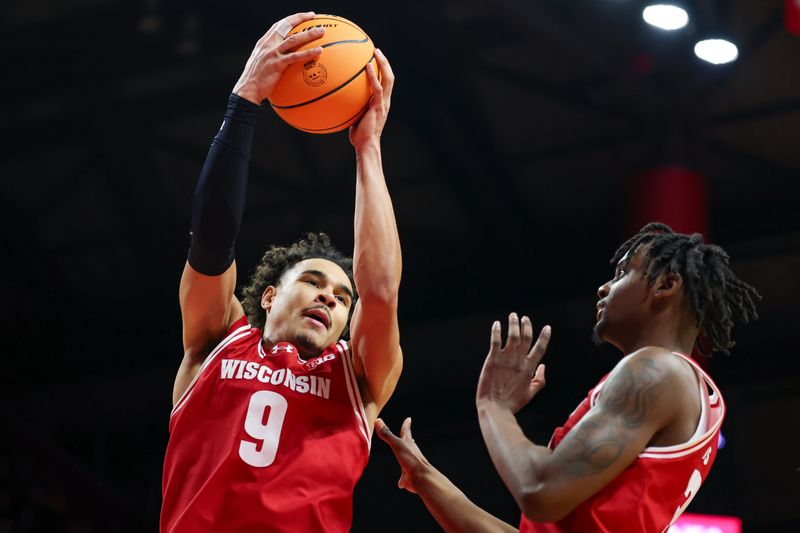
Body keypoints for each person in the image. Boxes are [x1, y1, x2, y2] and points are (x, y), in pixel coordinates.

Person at [160, 11, 402, 532]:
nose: (330, 299)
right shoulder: (214, 341)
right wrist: (245, 99)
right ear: (268, 296)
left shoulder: (358, 378)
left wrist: (369, 149)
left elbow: (379, 291)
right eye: (313, 282)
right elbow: (211, 239)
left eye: (341, 297)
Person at [377, 223, 760, 532]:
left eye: (623, 272)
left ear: (666, 285)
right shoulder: (688, 393)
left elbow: (539, 490)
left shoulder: (655, 371)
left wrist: (494, 406)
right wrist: (425, 479)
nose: (604, 287)